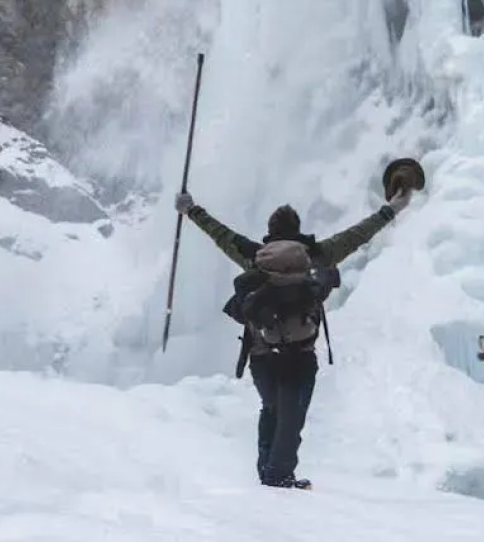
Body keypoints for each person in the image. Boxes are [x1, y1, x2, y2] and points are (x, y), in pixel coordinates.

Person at [174, 185, 414, 490]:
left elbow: (221, 234)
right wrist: (392, 208)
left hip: (262, 355)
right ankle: (278, 478)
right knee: (292, 419)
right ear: (297, 230)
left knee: (271, 409)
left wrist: (191, 209)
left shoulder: (256, 257)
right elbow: (359, 234)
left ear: (270, 232)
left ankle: (268, 474)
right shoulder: (318, 255)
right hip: (300, 354)